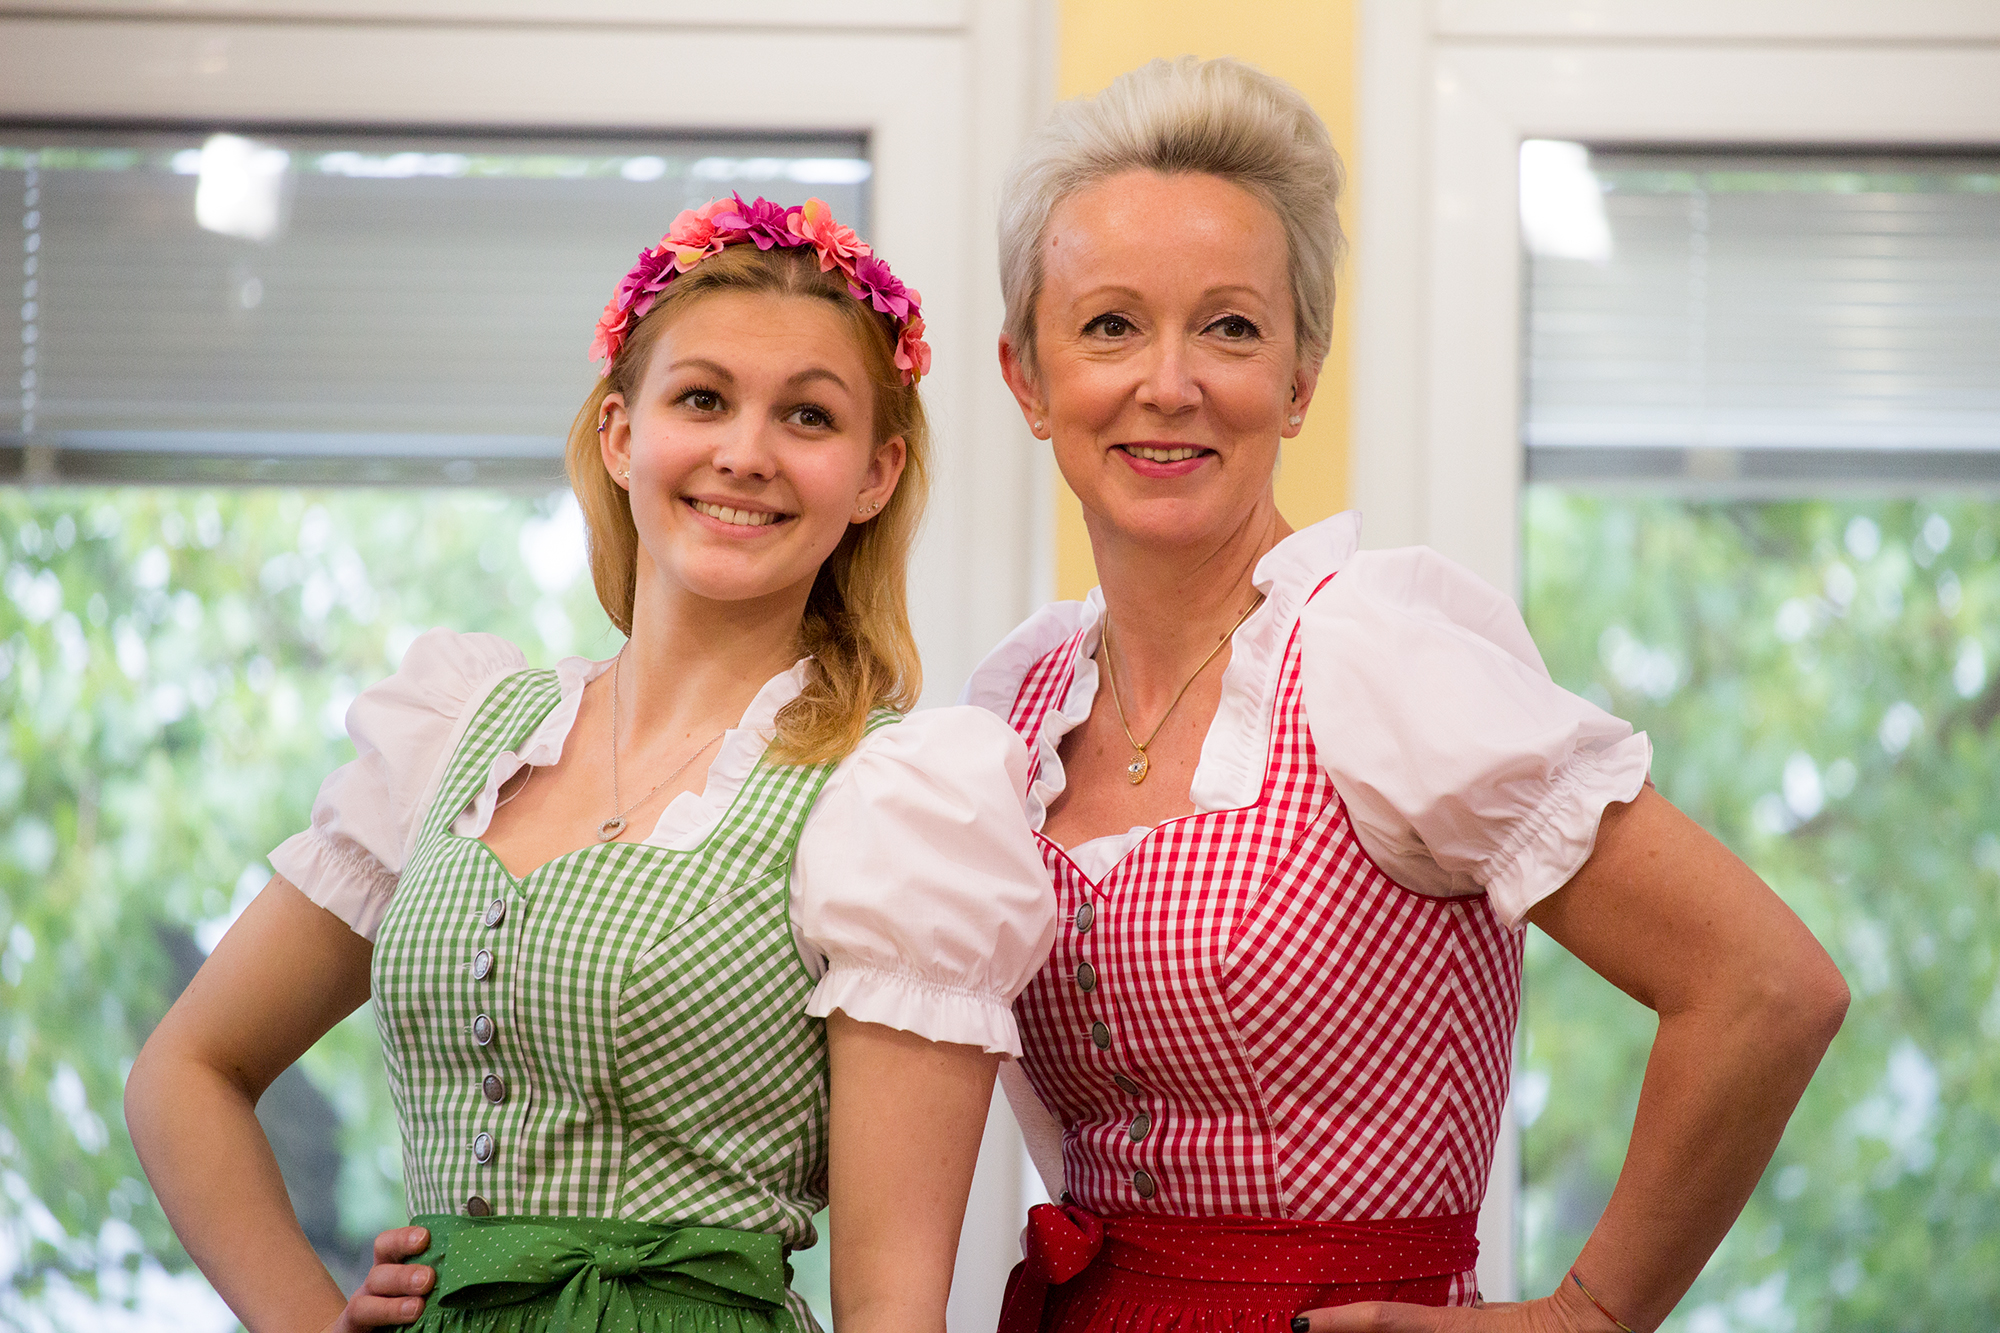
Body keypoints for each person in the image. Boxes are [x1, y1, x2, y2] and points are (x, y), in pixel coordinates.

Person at [965, 58, 1850, 1333]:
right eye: (1108, 325)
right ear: (1027, 378)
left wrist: (1584, 1317)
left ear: (1299, 377)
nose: (1169, 382)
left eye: (1230, 326)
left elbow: (1765, 987)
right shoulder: (1018, 707)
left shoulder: (1373, 659)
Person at [124, 195, 1056, 1333]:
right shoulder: (458, 732)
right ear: (621, 434)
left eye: (807, 417)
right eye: (701, 398)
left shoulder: (893, 805)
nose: (744, 453)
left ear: (873, 473)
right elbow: (187, 1072)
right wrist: (311, 1321)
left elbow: (888, 1309)